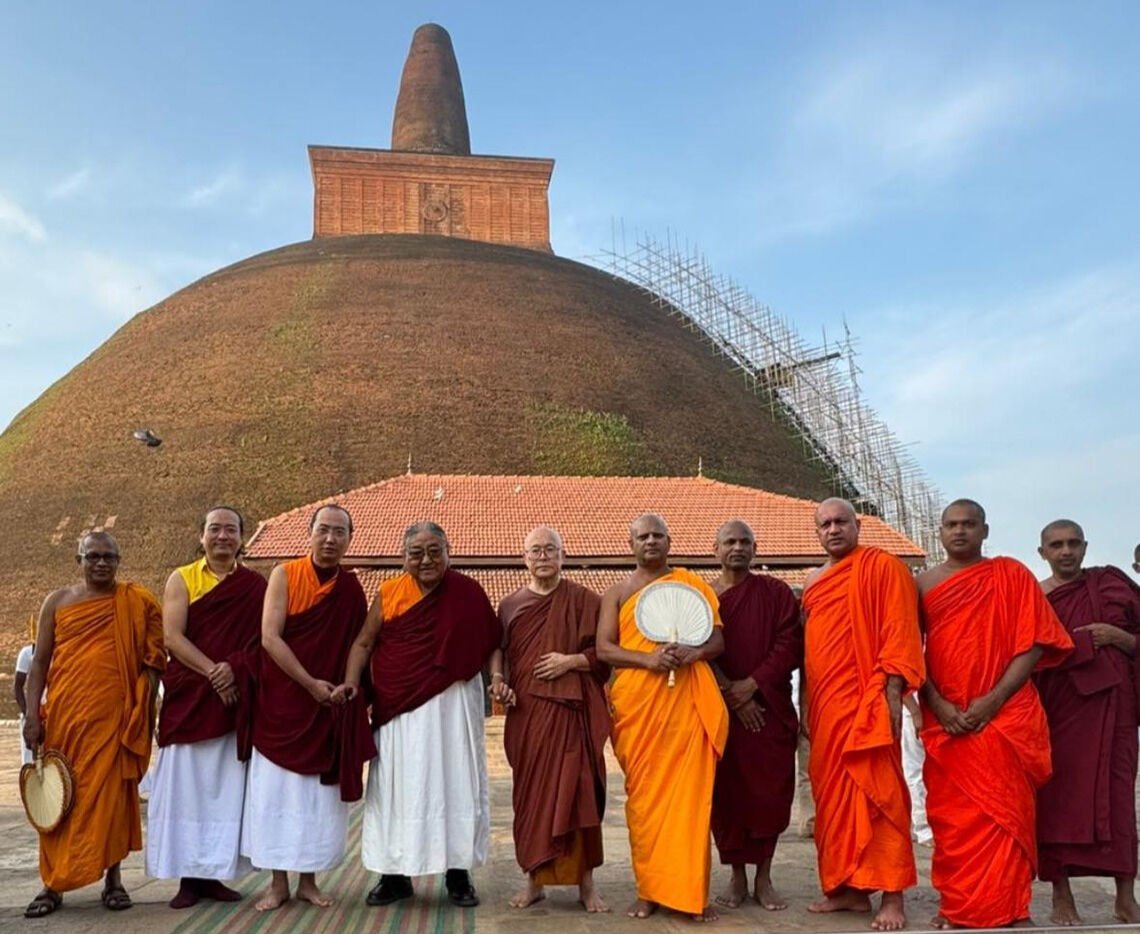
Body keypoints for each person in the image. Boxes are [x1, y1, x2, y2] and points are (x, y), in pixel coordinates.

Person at [918, 499, 1071, 929]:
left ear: (985, 531)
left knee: (1008, 817)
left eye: (969, 524)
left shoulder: (1011, 576)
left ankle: (1012, 909)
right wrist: (939, 705)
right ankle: (958, 907)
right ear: (940, 531)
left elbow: (1034, 642)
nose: (960, 531)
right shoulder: (922, 585)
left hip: (1006, 716)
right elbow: (910, 652)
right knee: (954, 821)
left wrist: (994, 700)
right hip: (947, 720)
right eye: (952, 525)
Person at [339, 521, 501, 909]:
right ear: (403, 557)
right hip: (399, 710)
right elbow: (363, 642)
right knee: (398, 786)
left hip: (453, 706)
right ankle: (394, 875)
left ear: (449, 553)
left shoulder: (468, 592)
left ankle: (458, 874)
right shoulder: (390, 592)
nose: (426, 560)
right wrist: (350, 683)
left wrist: (495, 678)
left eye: (434, 552)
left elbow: (493, 641)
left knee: (456, 781)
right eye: (416, 553)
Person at [21, 532, 165, 918]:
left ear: (119, 561)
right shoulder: (58, 601)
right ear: (78, 559)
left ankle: (114, 880)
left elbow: (154, 660)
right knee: (61, 798)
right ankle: (53, 884)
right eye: (93, 557)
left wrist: (142, 705)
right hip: (66, 719)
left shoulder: (136, 602)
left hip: (115, 721)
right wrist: (32, 714)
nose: (101, 563)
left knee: (112, 798)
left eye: (108, 557)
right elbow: (39, 663)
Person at [239, 504, 372, 912]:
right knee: (276, 797)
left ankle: (309, 881)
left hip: (328, 705)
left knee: (316, 801)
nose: (331, 539)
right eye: (324, 530)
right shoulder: (285, 573)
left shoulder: (350, 588)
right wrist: (309, 684)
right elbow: (270, 637)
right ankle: (278, 883)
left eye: (340, 533)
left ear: (349, 539)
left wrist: (349, 684)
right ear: (309, 534)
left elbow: (357, 643)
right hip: (283, 702)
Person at [597, 513, 728, 922]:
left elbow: (717, 639)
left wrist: (694, 653)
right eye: (642, 536)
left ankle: (689, 893)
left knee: (690, 804)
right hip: (641, 708)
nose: (650, 542)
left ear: (670, 542)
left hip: (687, 706)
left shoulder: (693, 585)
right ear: (630, 543)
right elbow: (604, 649)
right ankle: (649, 889)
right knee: (644, 804)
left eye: (658, 536)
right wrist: (647, 659)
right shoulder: (616, 594)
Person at [801, 497, 924, 932]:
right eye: (824, 524)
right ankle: (849, 889)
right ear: (816, 532)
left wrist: (892, 693)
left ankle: (892, 896)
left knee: (883, 796)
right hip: (826, 707)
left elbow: (899, 633)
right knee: (834, 800)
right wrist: (804, 709)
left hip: (870, 702)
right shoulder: (815, 582)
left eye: (841, 522)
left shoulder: (884, 568)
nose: (833, 529)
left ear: (857, 525)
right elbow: (809, 653)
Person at [145, 506, 267, 908]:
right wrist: (215, 670)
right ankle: (188, 878)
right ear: (201, 537)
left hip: (233, 698)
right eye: (214, 529)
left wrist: (233, 670)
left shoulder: (254, 586)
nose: (222, 537)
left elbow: (260, 641)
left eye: (230, 530)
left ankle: (214, 874)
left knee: (224, 791)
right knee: (186, 791)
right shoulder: (182, 578)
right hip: (192, 696)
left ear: (241, 538)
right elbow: (172, 637)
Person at [489, 526, 611, 912]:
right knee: (531, 797)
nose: (543, 556)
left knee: (579, 794)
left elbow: (604, 653)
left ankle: (586, 886)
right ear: (524, 558)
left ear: (563, 554)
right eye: (535, 551)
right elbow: (501, 651)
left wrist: (571, 661)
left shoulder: (585, 600)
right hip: (528, 715)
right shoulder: (509, 605)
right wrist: (498, 681)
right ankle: (533, 881)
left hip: (573, 713)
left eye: (550, 550)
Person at [1035, 519, 1140, 925]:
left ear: (1085, 546)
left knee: (1117, 799)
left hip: (1115, 710)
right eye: (1056, 545)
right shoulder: (1035, 596)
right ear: (1042, 552)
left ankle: (1125, 896)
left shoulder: (1110, 584)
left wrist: (1119, 638)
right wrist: (1078, 644)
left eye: (1073, 543)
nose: (1066, 551)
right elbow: (1023, 651)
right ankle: (1062, 896)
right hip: (1059, 709)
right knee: (1058, 798)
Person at [709, 519, 802, 912]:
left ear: (755, 548)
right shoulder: (703, 595)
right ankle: (736, 876)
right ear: (715, 549)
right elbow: (695, 646)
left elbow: (790, 645)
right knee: (726, 796)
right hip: (721, 709)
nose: (737, 548)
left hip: (769, 711)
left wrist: (753, 685)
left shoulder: (776, 592)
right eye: (729, 541)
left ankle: (764, 876)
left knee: (770, 794)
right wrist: (733, 694)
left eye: (745, 541)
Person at [14, 615, 35, 766]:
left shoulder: (56, 651)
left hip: (52, 710)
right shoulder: (27, 654)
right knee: (29, 761)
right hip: (32, 711)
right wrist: (28, 713)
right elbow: (17, 686)